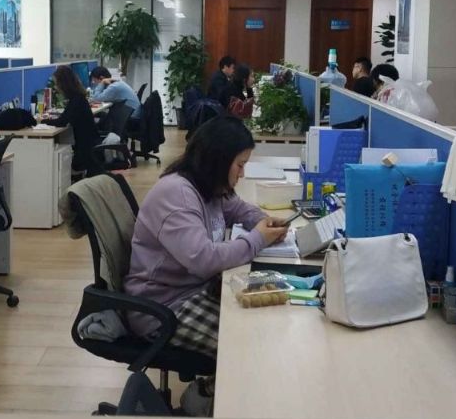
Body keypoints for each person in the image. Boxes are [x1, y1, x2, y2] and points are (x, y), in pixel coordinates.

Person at [124, 117, 289, 361]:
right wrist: (257, 239)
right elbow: (203, 260)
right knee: (250, 349)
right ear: (218, 162)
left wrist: (264, 221)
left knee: (264, 327)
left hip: (194, 289)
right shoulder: (177, 195)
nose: (242, 174)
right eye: (240, 165)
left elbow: (238, 209)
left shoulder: (208, 184)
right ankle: (214, 385)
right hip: (164, 307)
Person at [43, 65, 98, 177]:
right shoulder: (78, 98)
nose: (56, 87)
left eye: (57, 84)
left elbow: (62, 122)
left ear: (63, 84)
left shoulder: (76, 101)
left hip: (84, 151)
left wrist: (42, 122)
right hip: (87, 145)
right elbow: (65, 119)